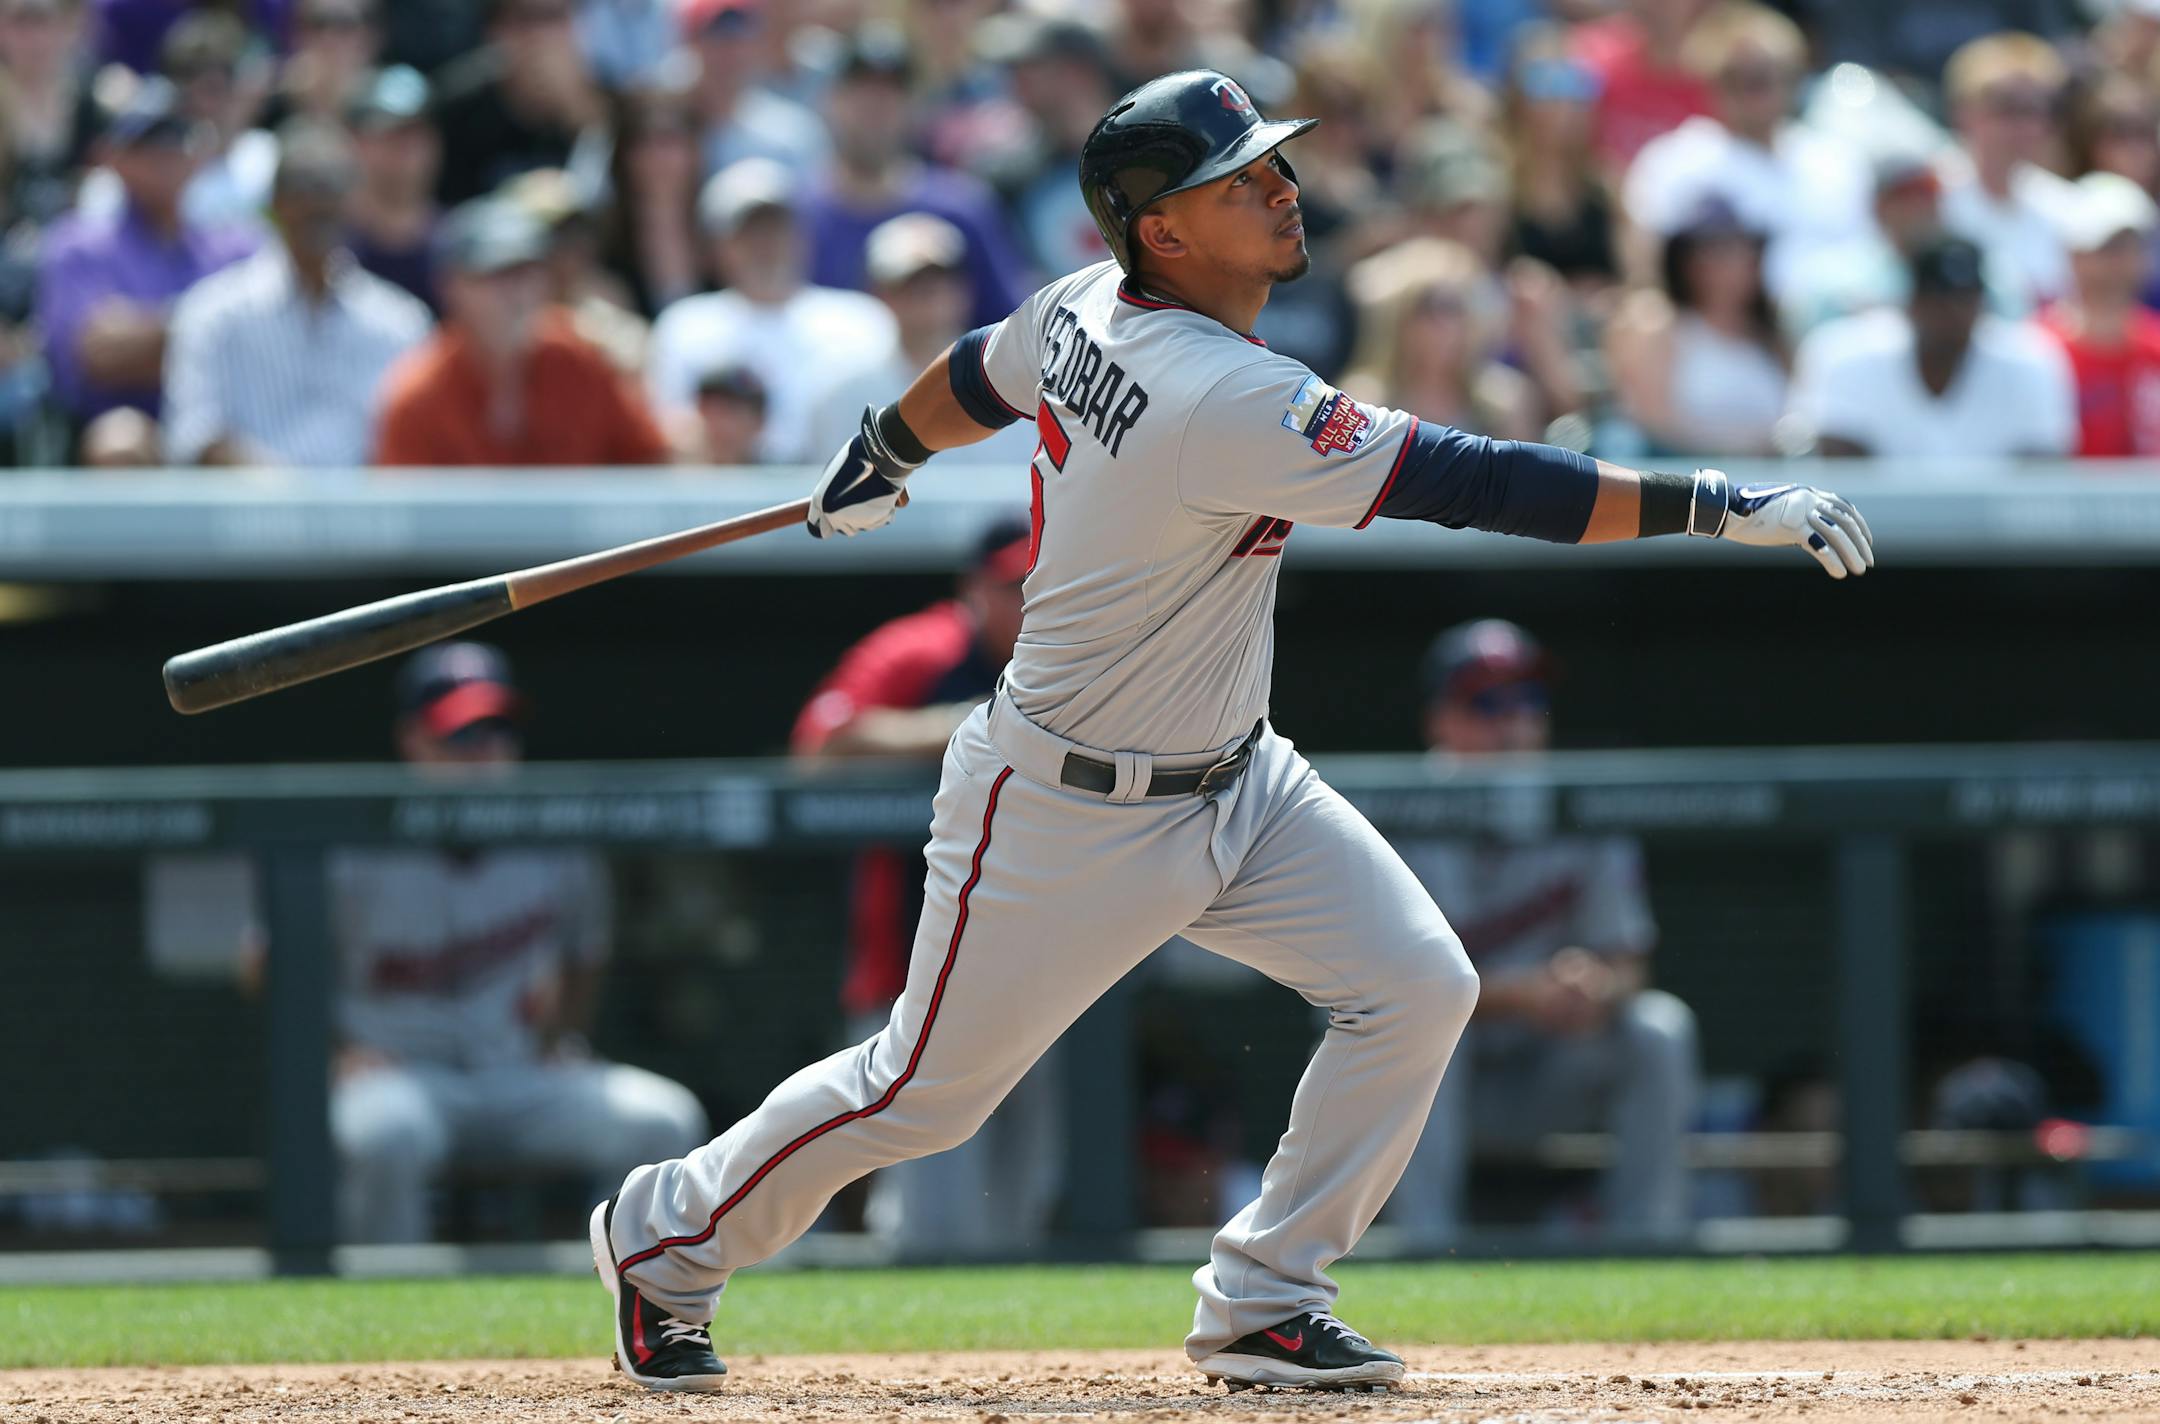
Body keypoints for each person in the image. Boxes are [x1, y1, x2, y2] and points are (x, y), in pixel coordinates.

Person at [590, 70, 1872, 1395]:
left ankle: (1265, 1297)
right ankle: (663, 1234)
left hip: (1240, 776)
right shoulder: (1218, 394)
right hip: (1064, 805)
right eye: (1240, 176)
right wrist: (1715, 499)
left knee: (1418, 986)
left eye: (1275, 162)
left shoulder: (1088, 302)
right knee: (922, 1093)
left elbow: (979, 371)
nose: (1281, 186)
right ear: (1163, 232)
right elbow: (1483, 482)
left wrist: (889, 446)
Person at [332, 641, 708, 1244]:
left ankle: (624, 1294)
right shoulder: (355, 845)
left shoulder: (554, 838)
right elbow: (266, 964)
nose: (484, 754)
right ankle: (384, 1326)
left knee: (661, 1119)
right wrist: (337, 1051)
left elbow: (587, 951)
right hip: (404, 1074)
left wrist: (561, 1036)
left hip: (520, 1074)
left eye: (496, 732)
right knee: (387, 1135)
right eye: (461, 737)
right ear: (413, 742)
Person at [789, 517, 1062, 1259]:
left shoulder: (1076, 651)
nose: (1030, 600)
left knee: (1022, 1210)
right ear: (973, 589)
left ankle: (1013, 1364)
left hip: (1041, 967)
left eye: (1041, 581)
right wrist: (968, 727)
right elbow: (819, 743)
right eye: (1012, 586)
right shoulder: (923, 651)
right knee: (931, 1213)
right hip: (910, 960)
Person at [1388, 620, 1699, 1247]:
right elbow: (1386, 986)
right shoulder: (1395, 811)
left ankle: (1649, 1251)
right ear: (1439, 721)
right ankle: (1421, 1258)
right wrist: (1519, 991)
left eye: (1528, 700)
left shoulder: (1580, 805)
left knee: (1658, 1029)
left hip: (1544, 1070)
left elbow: (1630, 962)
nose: (1514, 722)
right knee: (1418, 1035)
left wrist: (1594, 985)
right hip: (1429, 1089)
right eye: (1487, 702)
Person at [163, 120, 430, 469]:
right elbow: (195, 436)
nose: (319, 202)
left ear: (354, 199)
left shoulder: (400, 322)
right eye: (303, 186)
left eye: (334, 186)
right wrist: (287, 498)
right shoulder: (213, 313)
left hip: (366, 519)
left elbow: (415, 444)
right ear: (275, 202)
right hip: (245, 517)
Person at [35, 78, 257, 452]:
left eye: (179, 141)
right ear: (113, 157)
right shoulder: (78, 245)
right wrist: (212, 331)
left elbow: (265, 351)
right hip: (127, 433)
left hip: (226, 430)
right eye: (148, 144)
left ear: (200, 155)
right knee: (121, 439)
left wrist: (147, 332)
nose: (166, 156)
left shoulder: (239, 245)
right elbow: (98, 358)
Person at [372, 195, 669, 466]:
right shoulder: (418, 394)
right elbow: (403, 515)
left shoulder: (580, 360)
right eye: (497, 275)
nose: (517, 292)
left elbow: (650, 461)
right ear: (452, 287)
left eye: (528, 272)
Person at [646, 157, 895, 462]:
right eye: (749, 232)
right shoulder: (684, 326)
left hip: (845, 499)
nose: (766, 244)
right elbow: (676, 434)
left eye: (777, 229)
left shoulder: (862, 320)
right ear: (717, 246)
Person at [1619, 1, 1869, 305]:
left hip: (1828, 328)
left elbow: (1867, 261)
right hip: (1722, 337)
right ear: (1711, 81)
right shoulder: (1673, 164)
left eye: (1773, 75)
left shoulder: (1834, 160)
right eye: (1744, 78)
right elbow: (1647, 271)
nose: (1762, 91)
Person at [795, 25, 1032, 330]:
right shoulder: (795, 215)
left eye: (891, 93)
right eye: (860, 91)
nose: (875, 107)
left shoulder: (962, 208)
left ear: (914, 107)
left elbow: (1012, 329)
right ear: (829, 101)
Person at [1787, 233, 2075, 460]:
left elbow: (2039, 483)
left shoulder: (2032, 362)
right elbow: (1835, 475)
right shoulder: (1843, 356)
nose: (1953, 312)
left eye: (1966, 298)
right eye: (1938, 298)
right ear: (1912, 303)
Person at [805, 212, 1036, 466]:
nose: (929, 295)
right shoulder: (841, 389)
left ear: (965, 290)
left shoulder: (1014, 380)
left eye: (941, 280)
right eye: (910, 283)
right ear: (879, 293)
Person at [1605, 200, 1786, 455]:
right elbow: (1655, 425)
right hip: (1686, 482)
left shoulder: (1770, 336)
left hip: (1768, 482)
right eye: (1714, 249)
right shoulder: (1657, 325)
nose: (1738, 260)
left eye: (1743, 247)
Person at [1339, 236, 1543, 441]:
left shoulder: (1504, 402)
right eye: (1428, 307)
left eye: (1454, 308)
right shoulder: (1363, 405)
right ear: (1397, 319)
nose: (1443, 324)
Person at [1936, 32, 2074, 314]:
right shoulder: (1929, 195)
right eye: (2006, 107)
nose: (2023, 124)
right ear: (1963, 111)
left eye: (2033, 109)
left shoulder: (2066, 206)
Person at [429, 0, 604, 207]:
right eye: (526, 18)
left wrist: (581, 114)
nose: (540, 35)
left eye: (553, 17)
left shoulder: (605, 102)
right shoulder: (458, 109)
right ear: (494, 30)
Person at [2038, 173, 2160, 458]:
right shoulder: (2039, 349)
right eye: (2107, 249)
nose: (2121, 263)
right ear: (2073, 256)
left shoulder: (2155, 346)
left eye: (2132, 248)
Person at [681, 0, 825, 182]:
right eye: (717, 37)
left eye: (740, 37)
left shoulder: (792, 133)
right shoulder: (662, 128)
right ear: (691, 43)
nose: (730, 52)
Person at [342, 64, 442, 312]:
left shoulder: (456, 250)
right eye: (391, 134)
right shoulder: (330, 250)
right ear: (354, 142)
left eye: (418, 132)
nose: (407, 148)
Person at [0, 0, 105, 229]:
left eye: (42, 21)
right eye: (20, 22)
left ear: (70, 27)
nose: (33, 38)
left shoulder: (94, 101)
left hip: (73, 243)